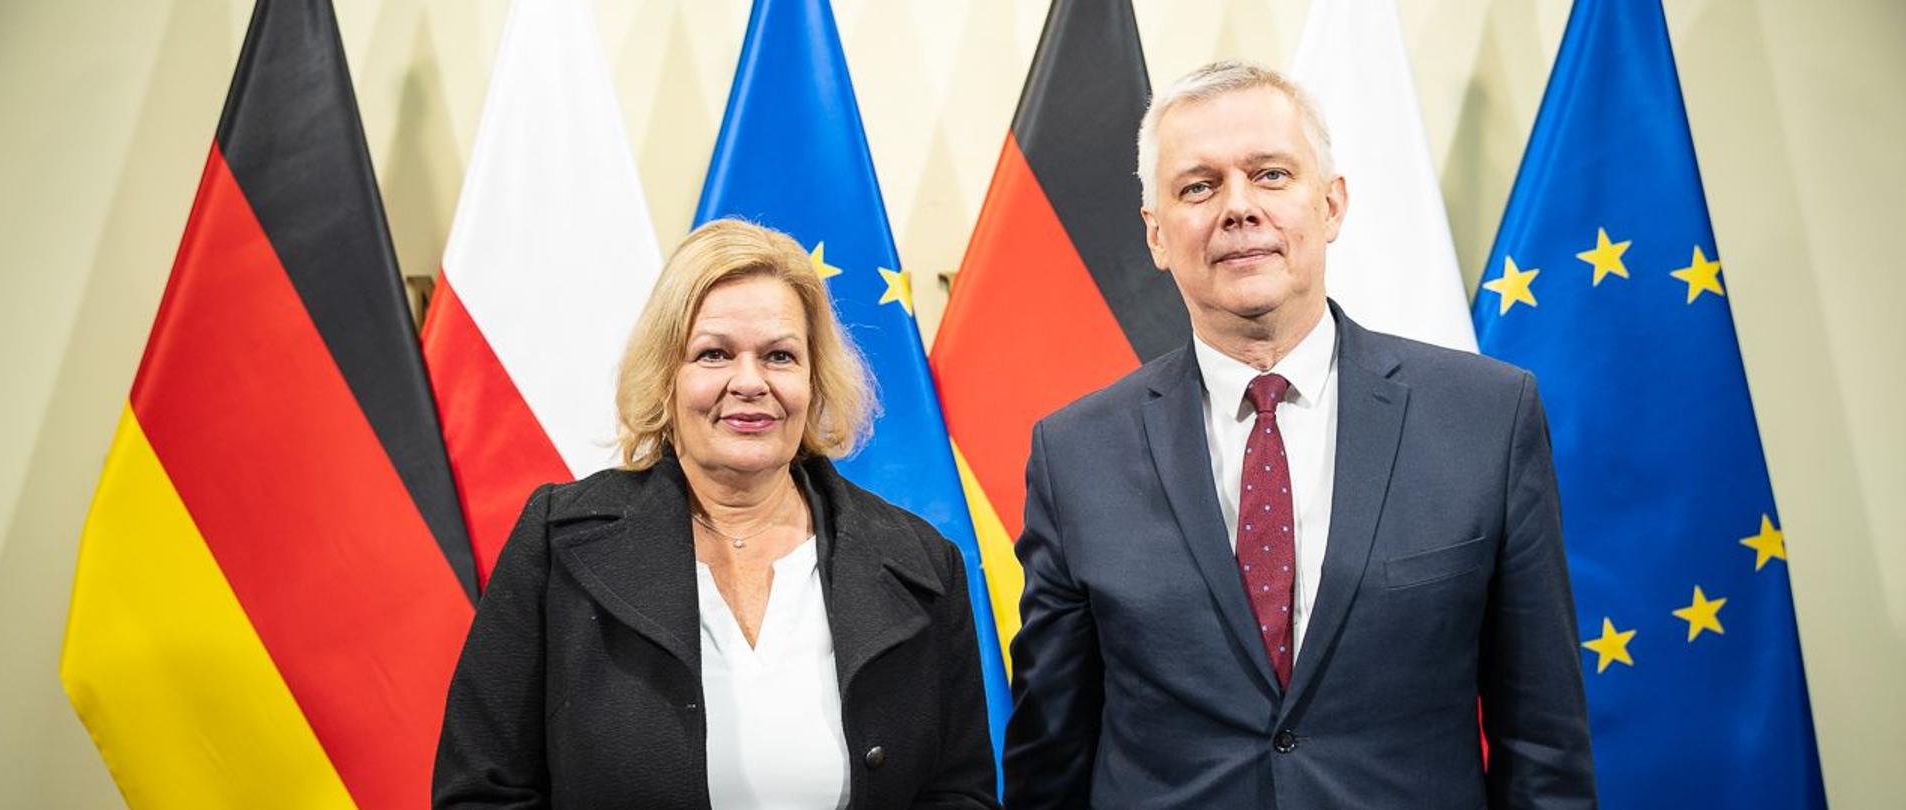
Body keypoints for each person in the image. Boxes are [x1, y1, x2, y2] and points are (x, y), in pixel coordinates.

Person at [1002, 60, 1596, 807]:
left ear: (1332, 205)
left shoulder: (1486, 416)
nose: (1238, 207)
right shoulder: (1074, 452)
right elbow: (1048, 754)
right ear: (1156, 234)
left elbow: (1543, 740)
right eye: (1198, 186)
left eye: (1271, 174)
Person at [434, 219, 998, 808]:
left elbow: (960, 791)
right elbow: (481, 790)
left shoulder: (923, 562)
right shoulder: (556, 542)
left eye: (780, 355)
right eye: (714, 354)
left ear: (814, 379)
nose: (750, 382)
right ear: (666, 379)